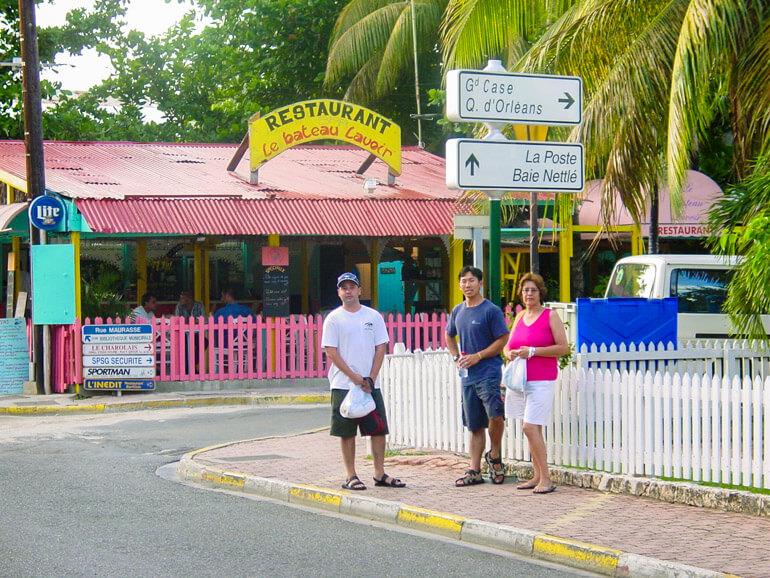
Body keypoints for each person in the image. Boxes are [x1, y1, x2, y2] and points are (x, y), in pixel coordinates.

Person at [321, 272, 405, 491]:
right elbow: (331, 351)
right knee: (346, 431)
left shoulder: (373, 316)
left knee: (377, 429)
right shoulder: (334, 318)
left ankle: (379, 472)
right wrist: (355, 377)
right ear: (339, 292)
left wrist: (371, 378)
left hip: (370, 384)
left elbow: (381, 347)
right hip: (343, 384)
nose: (348, 291)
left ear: (359, 290)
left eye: (352, 287)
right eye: (344, 288)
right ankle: (351, 475)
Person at [503, 273, 569, 494]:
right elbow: (508, 344)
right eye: (525, 290)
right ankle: (537, 475)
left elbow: (563, 347)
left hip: (542, 379)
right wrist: (509, 353)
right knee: (532, 429)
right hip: (521, 380)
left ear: (540, 292)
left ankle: (547, 479)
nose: (528, 294)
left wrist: (534, 351)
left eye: (533, 290)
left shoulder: (550, 316)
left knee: (529, 427)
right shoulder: (520, 316)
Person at [445, 266, 510, 486]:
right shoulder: (458, 311)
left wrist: (479, 356)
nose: (467, 285)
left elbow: (502, 339)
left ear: (480, 283)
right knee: (474, 424)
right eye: (463, 281)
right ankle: (474, 470)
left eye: (471, 281)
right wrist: (456, 357)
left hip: (489, 373)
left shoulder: (490, 310)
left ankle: (495, 456)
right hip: (468, 377)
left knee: (495, 416)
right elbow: (449, 334)